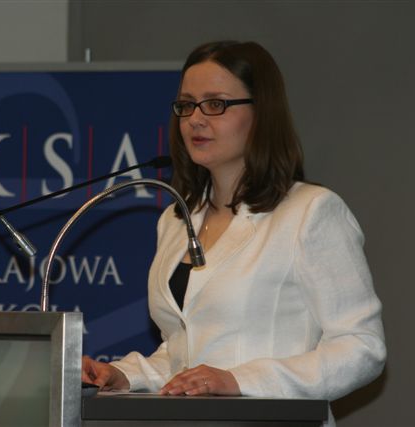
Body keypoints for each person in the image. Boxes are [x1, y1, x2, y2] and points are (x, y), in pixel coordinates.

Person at [81, 41, 386, 426]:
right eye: (186, 105)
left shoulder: (310, 212)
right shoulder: (176, 219)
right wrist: (125, 375)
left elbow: (362, 348)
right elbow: (184, 352)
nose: (195, 119)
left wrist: (239, 380)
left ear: (262, 114)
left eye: (215, 104)